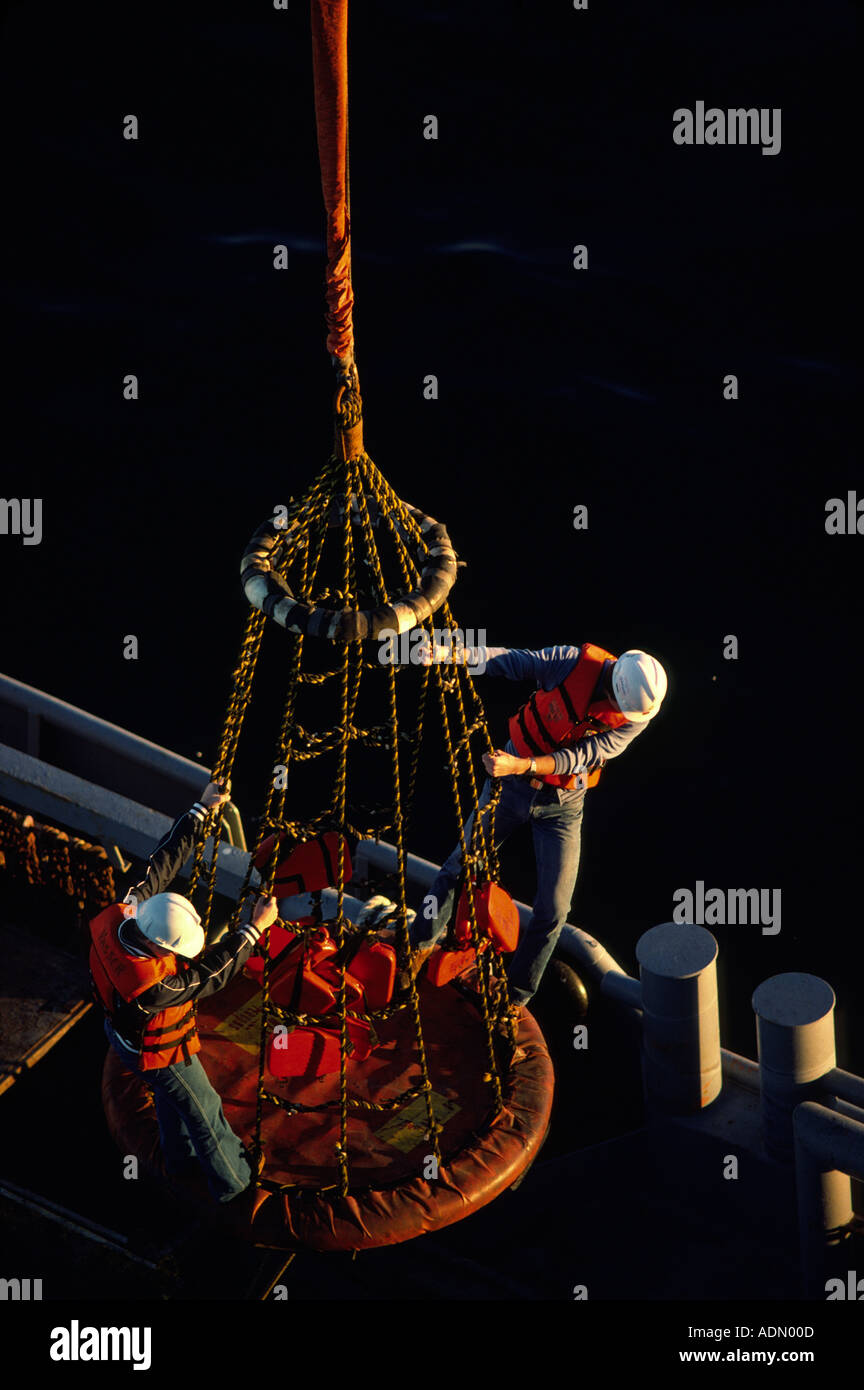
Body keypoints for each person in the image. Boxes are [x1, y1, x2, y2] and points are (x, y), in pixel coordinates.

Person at [405, 642, 667, 1017]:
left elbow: (579, 758)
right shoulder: (571, 663)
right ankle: (419, 945)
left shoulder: (635, 718)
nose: (620, 714)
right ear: (613, 686)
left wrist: (520, 765)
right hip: (508, 789)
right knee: (460, 864)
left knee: (555, 908)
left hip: (561, 807)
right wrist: (451, 654)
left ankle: (513, 997)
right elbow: (512, 661)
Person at [89, 780, 278, 1205]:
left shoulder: (128, 914)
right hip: (157, 1055)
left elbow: (161, 861)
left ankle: (180, 1162)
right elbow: (212, 974)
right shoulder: (155, 986)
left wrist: (201, 810)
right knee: (204, 1111)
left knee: (173, 1104)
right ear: (160, 948)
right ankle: (236, 1184)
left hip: (121, 1039)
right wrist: (254, 928)